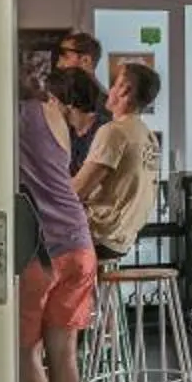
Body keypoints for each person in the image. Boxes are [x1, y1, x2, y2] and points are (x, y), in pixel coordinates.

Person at [14, 66, 98, 382]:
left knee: (27, 352)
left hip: (38, 251)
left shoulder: (17, 116)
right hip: (79, 245)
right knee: (64, 355)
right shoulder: (56, 121)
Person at [70, 61, 161, 259]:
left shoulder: (114, 132)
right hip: (124, 239)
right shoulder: (148, 136)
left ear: (124, 91)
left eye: (115, 84)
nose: (110, 90)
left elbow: (76, 191)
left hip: (99, 237)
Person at [57, 31, 108, 167]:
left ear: (85, 60)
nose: (59, 65)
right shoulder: (60, 101)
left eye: (65, 56)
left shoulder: (109, 107)